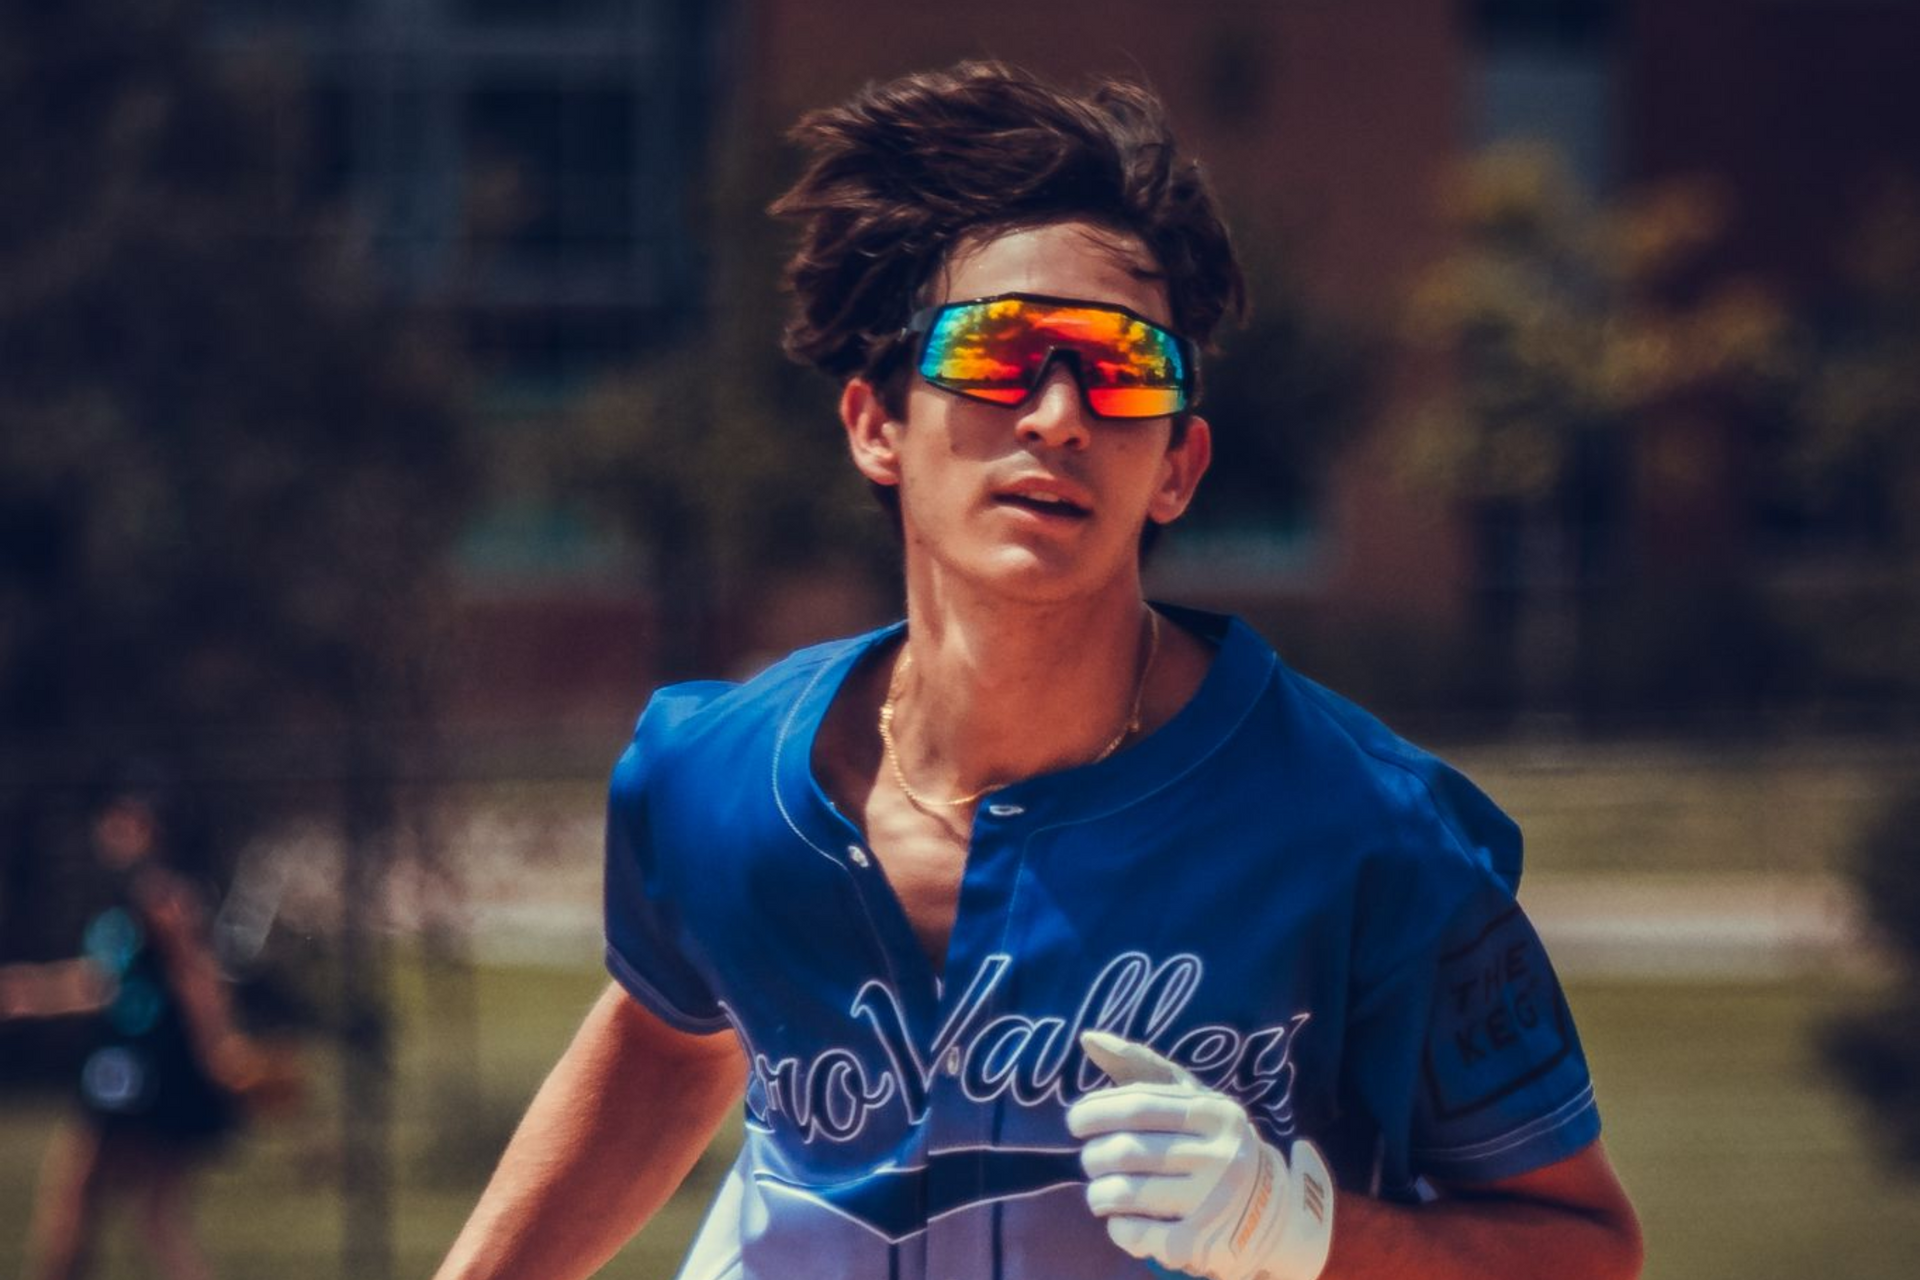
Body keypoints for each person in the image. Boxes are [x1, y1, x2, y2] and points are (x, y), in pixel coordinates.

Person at [433, 62, 1643, 1280]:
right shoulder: (712, 777)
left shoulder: (1374, 832)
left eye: (1123, 367)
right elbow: (674, 1037)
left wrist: (1311, 1232)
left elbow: (1584, 1247)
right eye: (1001, 349)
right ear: (876, 423)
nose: (1060, 415)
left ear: (1177, 464)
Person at [3, 780, 269, 1280]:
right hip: (124, 1065)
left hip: (148, 1069)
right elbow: (106, 983)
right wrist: (34, 994)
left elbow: (197, 975)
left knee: (96, 1201)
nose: (115, 830)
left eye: (129, 820)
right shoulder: (124, 902)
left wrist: (220, 1046)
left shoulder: (160, 893)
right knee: (134, 1213)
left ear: (154, 830)